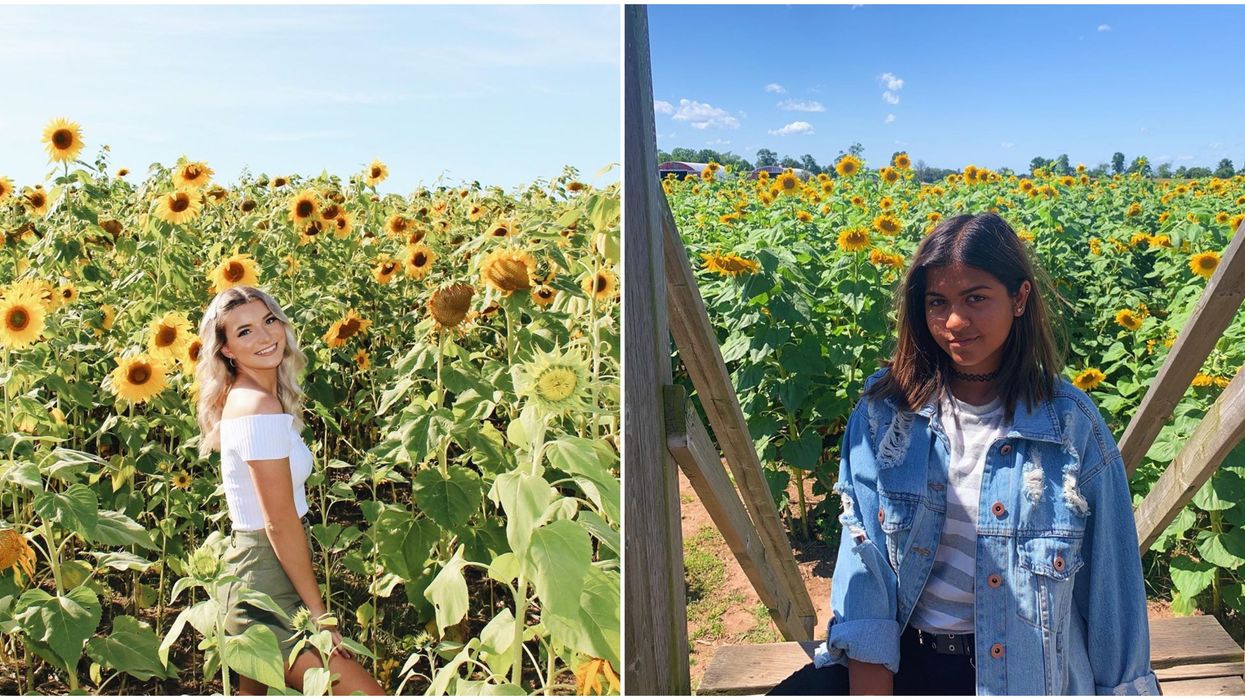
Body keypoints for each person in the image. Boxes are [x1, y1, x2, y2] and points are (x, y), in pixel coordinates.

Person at [770, 213, 1158, 695]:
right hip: (901, 663)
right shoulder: (886, 417)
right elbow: (864, 564)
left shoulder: (1070, 427)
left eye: (976, 298)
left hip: (1028, 676)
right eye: (938, 302)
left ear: (1019, 298)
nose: (954, 322)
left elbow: (1112, 592)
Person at [195, 285, 384, 695]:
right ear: (225, 350)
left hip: (259, 570)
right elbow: (278, 522)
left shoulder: (257, 397)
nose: (265, 337)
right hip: (264, 582)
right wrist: (320, 615)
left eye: (269, 321)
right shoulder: (257, 407)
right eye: (244, 332)